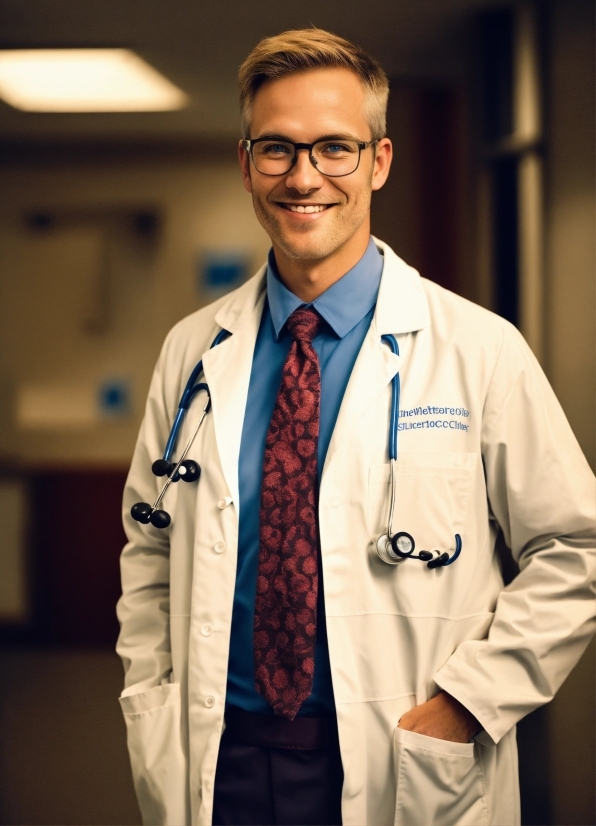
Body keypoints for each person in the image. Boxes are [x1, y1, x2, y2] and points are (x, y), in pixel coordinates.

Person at [116, 28, 595, 826]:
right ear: (245, 165)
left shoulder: (478, 349)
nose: (304, 177)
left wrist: (467, 706)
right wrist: (150, 689)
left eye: (335, 148)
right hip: (218, 756)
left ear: (378, 161)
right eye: (276, 149)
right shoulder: (193, 350)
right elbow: (150, 547)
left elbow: (576, 547)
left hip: (400, 760)